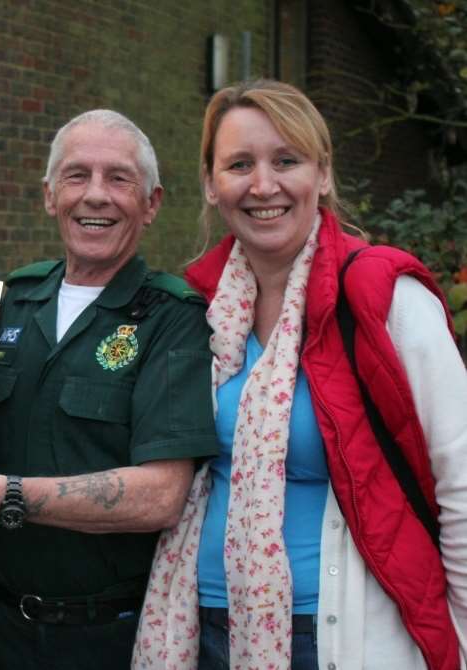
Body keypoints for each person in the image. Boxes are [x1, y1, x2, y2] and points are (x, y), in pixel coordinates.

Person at [132, 79, 467, 670]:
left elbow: (459, 483)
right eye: (240, 164)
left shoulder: (385, 299)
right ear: (212, 184)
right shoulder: (197, 308)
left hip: (338, 634)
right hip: (199, 628)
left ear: (324, 175)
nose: (264, 185)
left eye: (286, 160)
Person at [0, 109, 219, 669]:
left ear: (152, 203)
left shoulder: (172, 317)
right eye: (77, 176)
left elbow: (161, 495)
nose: (96, 195)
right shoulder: (9, 301)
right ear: (50, 196)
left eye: (118, 178)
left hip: (105, 637)